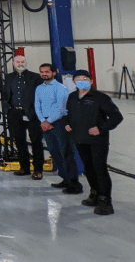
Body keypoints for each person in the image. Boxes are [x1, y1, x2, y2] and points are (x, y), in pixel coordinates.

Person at [64, 70, 123, 215]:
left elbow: (117, 117)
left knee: (99, 168)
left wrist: (101, 129)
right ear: (74, 82)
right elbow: (68, 113)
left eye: (85, 78)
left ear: (90, 81)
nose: (82, 81)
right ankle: (95, 193)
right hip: (79, 139)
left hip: (97, 141)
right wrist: (68, 123)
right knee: (88, 168)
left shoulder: (100, 97)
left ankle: (105, 201)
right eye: (78, 79)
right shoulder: (72, 97)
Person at [36, 63, 83, 194]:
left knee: (66, 154)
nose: (44, 74)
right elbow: (36, 105)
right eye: (42, 72)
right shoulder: (39, 88)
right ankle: (65, 179)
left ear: (54, 73)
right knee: (55, 152)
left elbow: (61, 108)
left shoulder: (60, 88)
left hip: (59, 123)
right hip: (45, 123)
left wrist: (48, 121)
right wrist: (42, 121)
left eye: (47, 71)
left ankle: (74, 184)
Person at [3, 55, 44, 179]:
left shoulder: (35, 77)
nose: (20, 64)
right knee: (19, 141)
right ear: (14, 63)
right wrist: (7, 109)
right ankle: (24, 167)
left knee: (36, 142)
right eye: (18, 62)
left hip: (31, 114)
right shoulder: (9, 77)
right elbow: (6, 94)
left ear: (26, 63)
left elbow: (40, 96)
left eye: (22, 62)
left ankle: (37, 169)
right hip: (15, 114)